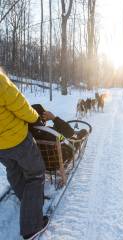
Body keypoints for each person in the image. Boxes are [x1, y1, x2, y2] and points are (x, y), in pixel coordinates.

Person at [0, 69, 48, 240]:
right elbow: (19, 104)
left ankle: (27, 201)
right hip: (17, 139)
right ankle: (32, 227)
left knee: (13, 170)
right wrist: (36, 119)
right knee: (35, 174)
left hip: (1, 147)